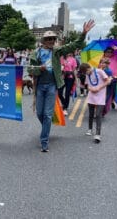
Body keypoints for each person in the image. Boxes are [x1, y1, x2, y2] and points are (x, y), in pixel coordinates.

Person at [29, 19, 95, 152]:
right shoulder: (36, 53)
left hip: (52, 86)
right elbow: (30, 70)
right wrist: (39, 69)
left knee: (47, 115)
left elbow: (73, 45)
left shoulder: (57, 51)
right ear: (44, 41)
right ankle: (46, 129)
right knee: (40, 114)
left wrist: (83, 33)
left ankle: (44, 141)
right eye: (49, 39)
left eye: (53, 39)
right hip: (40, 86)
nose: (51, 41)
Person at [80, 60, 111, 143]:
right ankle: (90, 129)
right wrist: (90, 89)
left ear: (89, 68)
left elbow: (108, 81)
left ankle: (98, 134)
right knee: (90, 113)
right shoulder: (87, 75)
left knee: (98, 115)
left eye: (87, 71)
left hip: (100, 95)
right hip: (91, 95)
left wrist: (99, 88)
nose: (87, 73)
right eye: (85, 73)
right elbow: (87, 85)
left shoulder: (100, 71)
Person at [102, 46, 117, 114]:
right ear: (104, 52)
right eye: (107, 52)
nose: (109, 53)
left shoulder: (115, 58)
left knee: (112, 93)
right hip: (104, 78)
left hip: (114, 78)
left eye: (111, 52)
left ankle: (110, 102)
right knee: (106, 94)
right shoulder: (102, 59)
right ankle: (103, 108)